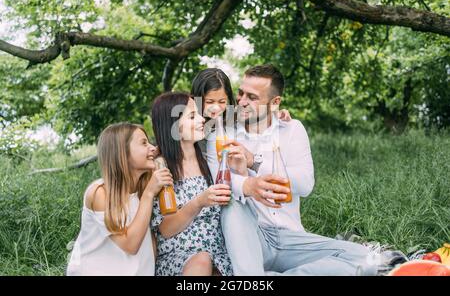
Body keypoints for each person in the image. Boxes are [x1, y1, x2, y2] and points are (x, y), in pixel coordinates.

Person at [206, 64, 379, 276]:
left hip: (291, 238)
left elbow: (305, 184)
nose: (241, 102)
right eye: (241, 93)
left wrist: (255, 162)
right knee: (232, 201)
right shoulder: (222, 133)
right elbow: (220, 181)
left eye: (252, 97)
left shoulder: (292, 128)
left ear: (275, 103)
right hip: (252, 236)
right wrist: (248, 185)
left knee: (366, 259)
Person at [150, 92, 246, 276]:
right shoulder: (161, 166)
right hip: (180, 258)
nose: (203, 119)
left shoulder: (208, 159)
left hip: (218, 255)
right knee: (202, 260)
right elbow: (166, 229)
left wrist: (278, 117)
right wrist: (198, 201)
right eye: (193, 116)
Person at [67, 122, 173, 276]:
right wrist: (149, 194)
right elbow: (131, 245)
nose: (153, 148)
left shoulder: (146, 187)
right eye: (144, 143)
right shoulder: (100, 193)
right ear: (122, 152)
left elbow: (150, 240)